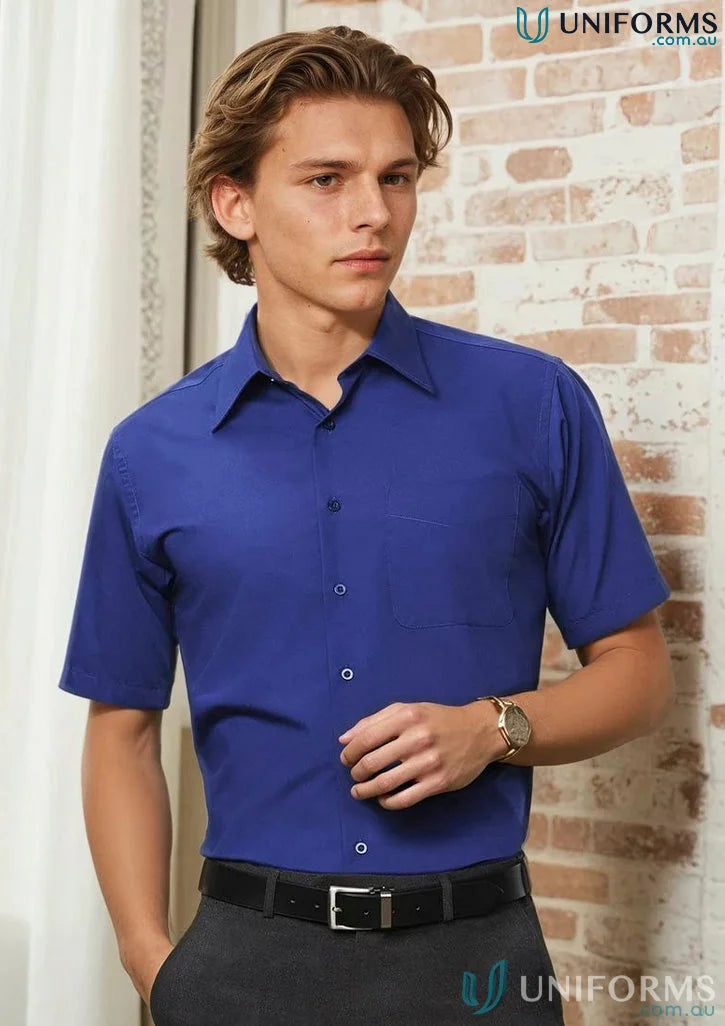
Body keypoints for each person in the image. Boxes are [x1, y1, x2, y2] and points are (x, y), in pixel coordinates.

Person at [58, 24, 674, 1026]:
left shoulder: (532, 406)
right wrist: (151, 962)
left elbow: (639, 675)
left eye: (395, 178)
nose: (373, 214)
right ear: (235, 204)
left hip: (476, 967)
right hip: (242, 970)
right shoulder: (150, 453)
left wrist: (493, 729)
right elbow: (120, 728)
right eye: (326, 180)